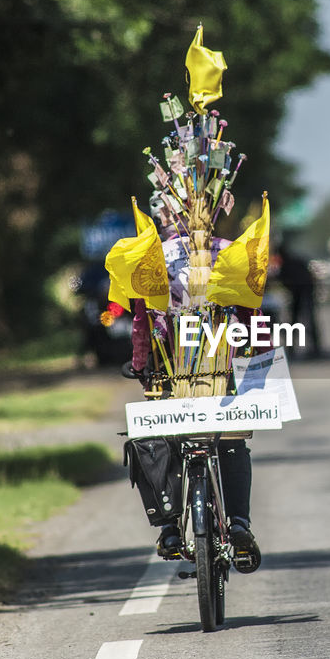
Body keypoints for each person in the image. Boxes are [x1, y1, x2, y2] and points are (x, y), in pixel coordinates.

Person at [110, 191, 261, 568]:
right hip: (222, 369)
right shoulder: (232, 252)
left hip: (168, 372)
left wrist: (140, 364)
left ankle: (169, 527)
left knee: (156, 440)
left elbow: (144, 320)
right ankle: (239, 523)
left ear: (168, 213)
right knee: (231, 444)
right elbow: (250, 314)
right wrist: (259, 359)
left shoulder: (153, 256)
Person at [276, 237, 322, 358]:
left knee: (301, 322)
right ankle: (309, 349)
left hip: (302, 294)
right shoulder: (294, 261)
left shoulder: (288, 264)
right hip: (301, 294)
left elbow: (284, 280)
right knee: (303, 321)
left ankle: (304, 349)